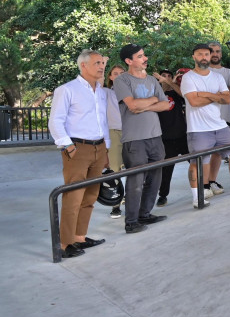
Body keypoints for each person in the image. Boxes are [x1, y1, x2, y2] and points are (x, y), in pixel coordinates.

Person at [48, 49, 110, 258]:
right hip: (77, 149)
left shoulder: (100, 90)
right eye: (97, 63)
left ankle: (80, 238)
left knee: (91, 195)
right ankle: (65, 244)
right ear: (83, 65)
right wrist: (68, 146)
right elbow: (55, 121)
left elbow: (102, 121)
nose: (102, 66)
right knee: (73, 197)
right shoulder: (67, 90)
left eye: (103, 63)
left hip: (99, 148)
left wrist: (106, 147)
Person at [181, 44, 230, 207]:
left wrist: (204, 94)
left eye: (206, 54)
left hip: (219, 125)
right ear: (194, 57)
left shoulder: (218, 77)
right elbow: (194, 101)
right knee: (198, 162)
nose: (204, 57)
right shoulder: (189, 77)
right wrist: (215, 96)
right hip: (198, 129)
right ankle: (197, 197)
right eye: (200, 54)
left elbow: (227, 99)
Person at [114, 44, 171, 233]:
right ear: (129, 61)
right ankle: (131, 222)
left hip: (156, 136)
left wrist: (145, 105)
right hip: (134, 139)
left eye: (144, 55)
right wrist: (153, 100)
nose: (145, 58)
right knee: (136, 180)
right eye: (140, 56)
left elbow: (165, 105)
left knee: (155, 178)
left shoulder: (152, 81)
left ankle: (145, 214)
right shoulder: (122, 80)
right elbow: (132, 105)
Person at [206, 41, 230, 194]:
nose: (215, 54)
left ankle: (211, 181)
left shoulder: (228, 72)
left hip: (225, 117)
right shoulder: (199, 73)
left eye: (218, 51)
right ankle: (204, 185)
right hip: (205, 119)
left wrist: (210, 94)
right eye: (212, 51)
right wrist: (222, 93)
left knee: (218, 153)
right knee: (205, 153)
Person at [153, 69, 189, 207]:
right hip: (166, 138)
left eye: (169, 76)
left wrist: (171, 83)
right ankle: (162, 196)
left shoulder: (176, 92)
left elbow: (183, 95)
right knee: (166, 169)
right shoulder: (156, 94)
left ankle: (202, 187)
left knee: (195, 163)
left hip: (182, 135)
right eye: (163, 76)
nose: (166, 79)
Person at [104, 64, 125, 219]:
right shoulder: (106, 93)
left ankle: (132, 199)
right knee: (115, 169)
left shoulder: (133, 91)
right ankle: (115, 205)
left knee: (136, 167)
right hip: (114, 132)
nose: (118, 76)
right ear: (110, 77)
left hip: (133, 132)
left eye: (121, 73)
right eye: (115, 73)